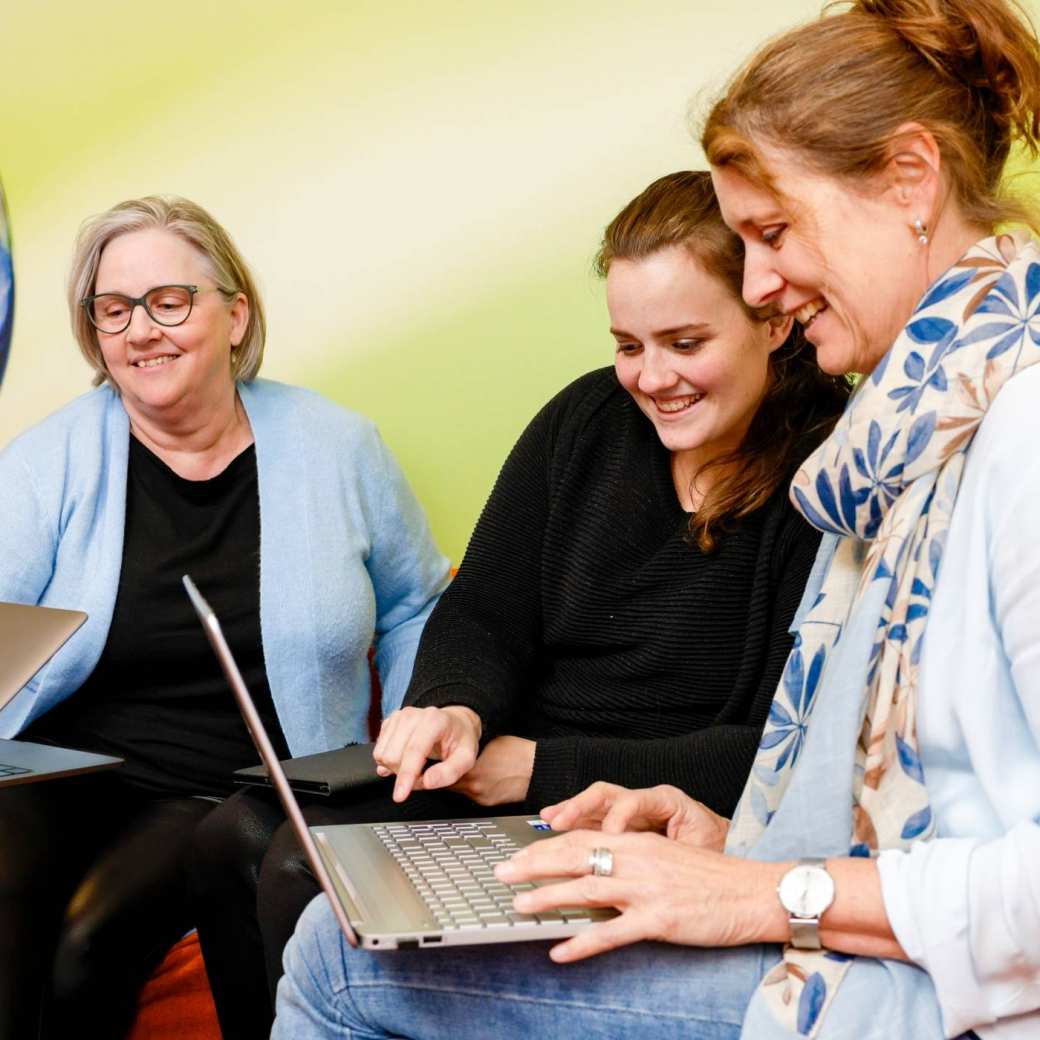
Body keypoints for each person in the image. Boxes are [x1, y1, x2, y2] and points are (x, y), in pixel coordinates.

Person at [272, 0, 1040, 1037]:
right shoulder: (906, 441)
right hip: (861, 939)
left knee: (337, 956)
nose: (763, 281)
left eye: (772, 232)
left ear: (908, 178)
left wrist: (763, 891)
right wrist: (721, 838)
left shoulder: (1013, 437)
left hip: (919, 993)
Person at [189, 171, 851, 1038]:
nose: (651, 379)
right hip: (504, 774)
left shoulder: (829, 478)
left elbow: (778, 750)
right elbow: (483, 613)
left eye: (685, 343)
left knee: (295, 872)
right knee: (232, 838)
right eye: (628, 345)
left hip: (634, 807)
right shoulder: (585, 421)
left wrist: (537, 769)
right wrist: (450, 707)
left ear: (772, 319)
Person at [0, 195, 449, 1039]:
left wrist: (424, 717)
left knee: (86, 946)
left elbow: (417, 602)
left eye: (169, 302)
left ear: (235, 316)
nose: (141, 330)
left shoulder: (337, 447)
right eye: (114, 310)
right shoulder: (46, 460)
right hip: (59, 769)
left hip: (210, 789)